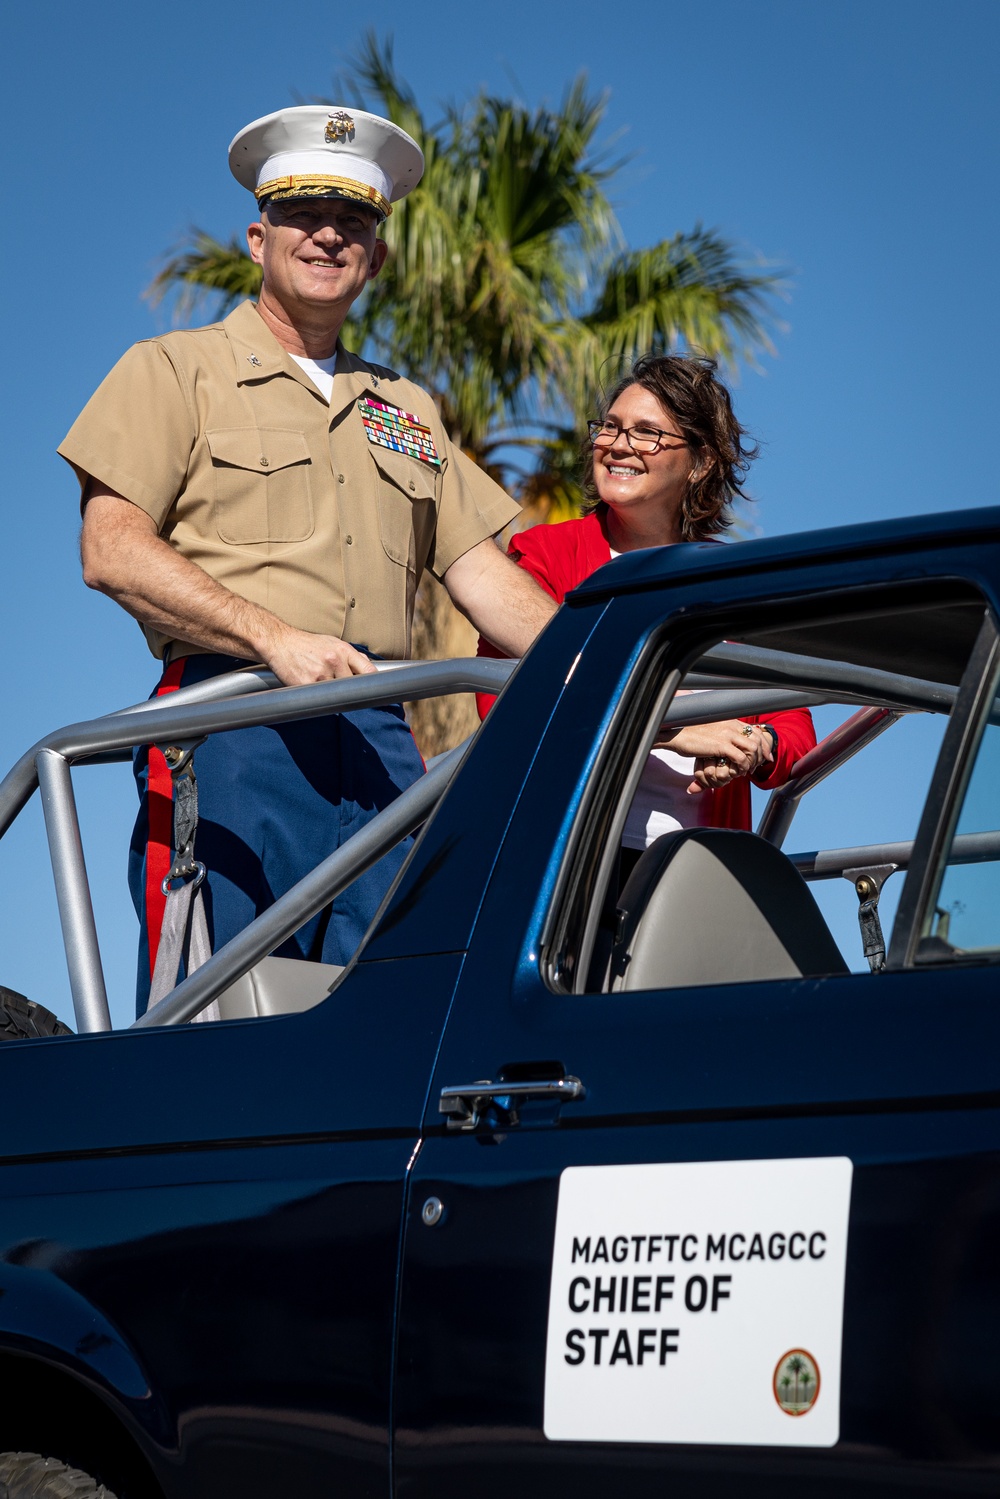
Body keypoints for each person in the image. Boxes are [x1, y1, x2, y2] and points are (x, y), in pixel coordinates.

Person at [60, 105, 555, 1014]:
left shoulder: (407, 408)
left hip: (378, 739)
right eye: (302, 214)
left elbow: (487, 578)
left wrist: (645, 691)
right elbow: (112, 549)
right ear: (259, 238)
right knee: (215, 1021)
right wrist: (272, 638)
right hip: (234, 723)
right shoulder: (176, 369)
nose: (329, 233)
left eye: (355, 220)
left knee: (394, 1015)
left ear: (377, 252)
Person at [477, 354, 816, 879]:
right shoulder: (542, 555)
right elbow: (506, 702)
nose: (618, 445)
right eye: (610, 427)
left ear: (700, 462)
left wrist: (754, 749)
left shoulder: (738, 582)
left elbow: (793, 726)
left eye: (648, 433)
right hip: (557, 861)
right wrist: (673, 726)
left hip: (694, 869)